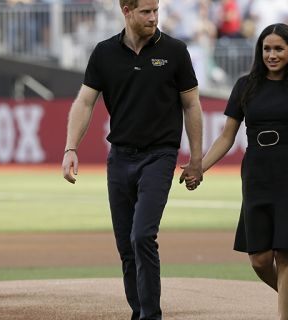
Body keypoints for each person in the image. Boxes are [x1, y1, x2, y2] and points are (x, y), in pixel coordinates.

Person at [182, 23, 288, 320]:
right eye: (267, 48)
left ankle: (286, 315)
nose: (272, 54)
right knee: (260, 259)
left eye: (279, 48)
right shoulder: (245, 85)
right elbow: (227, 136)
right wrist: (199, 166)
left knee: (285, 251)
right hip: (257, 172)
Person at [61, 0, 204, 319]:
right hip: (120, 157)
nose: (153, 17)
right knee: (126, 247)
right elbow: (85, 102)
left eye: (156, 11)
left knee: (142, 235)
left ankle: (150, 316)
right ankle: (139, 311)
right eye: (146, 12)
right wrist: (71, 148)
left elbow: (192, 105)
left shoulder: (175, 51)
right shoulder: (104, 53)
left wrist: (196, 159)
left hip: (160, 155)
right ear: (126, 11)